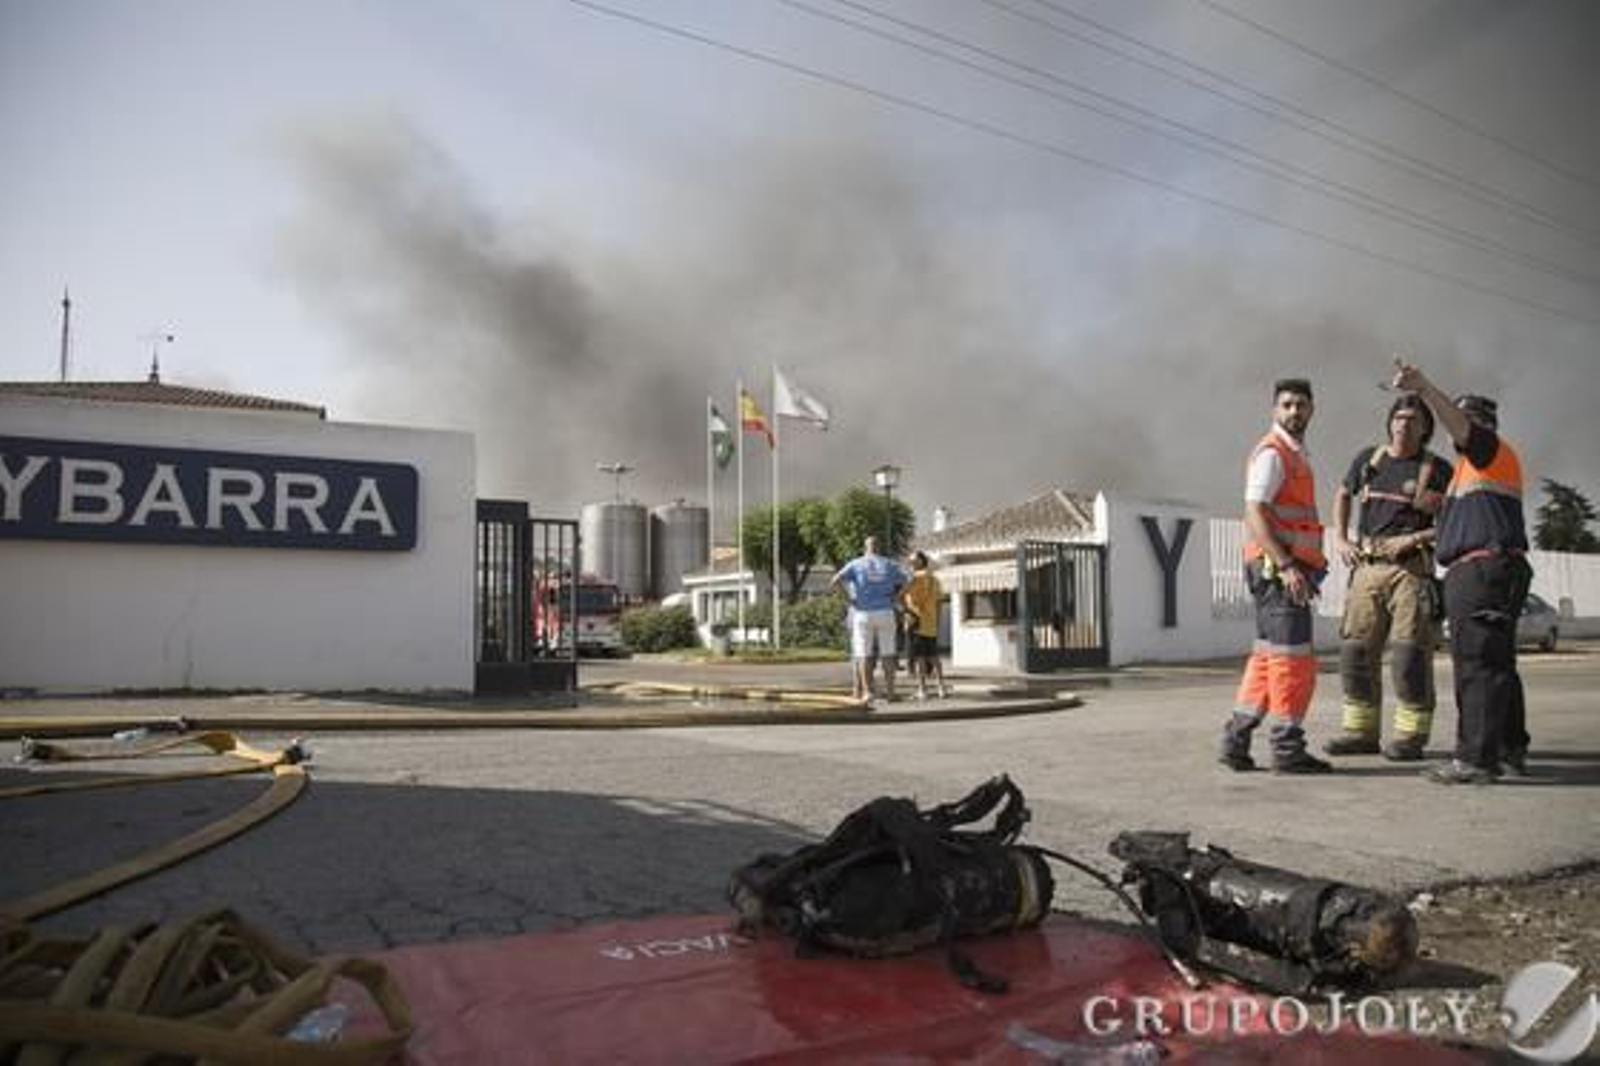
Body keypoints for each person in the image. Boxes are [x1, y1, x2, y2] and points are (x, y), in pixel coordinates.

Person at [1391, 360, 1531, 785]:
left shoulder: (1490, 450)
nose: (1457, 428)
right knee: (1496, 664)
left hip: (1483, 569)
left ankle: (1475, 759)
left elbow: (1463, 429)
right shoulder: (1469, 472)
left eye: (1466, 420)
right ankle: (1508, 750)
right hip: (1487, 569)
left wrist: (1424, 388)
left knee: (1476, 665)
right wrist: (1436, 507)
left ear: (1483, 425)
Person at [1324, 394, 1450, 762]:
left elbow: (1450, 522)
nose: (1403, 424)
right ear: (1389, 422)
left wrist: (1413, 538)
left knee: (1409, 657)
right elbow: (1343, 494)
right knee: (1356, 653)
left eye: (1412, 419)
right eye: (1398, 417)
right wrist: (1341, 538)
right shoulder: (1370, 460)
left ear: (1425, 428)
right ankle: (1360, 733)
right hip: (1367, 568)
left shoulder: (1436, 469)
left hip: (1411, 571)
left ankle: (1411, 737)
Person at [1219, 378, 1334, 774]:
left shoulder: (1294, 454)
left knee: (1268, 660)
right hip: (1279, 573)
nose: (1294, 411)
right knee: (1291, 661)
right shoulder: (1274, 453)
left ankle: (1236, 740)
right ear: (1274, 410)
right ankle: (1287, 747)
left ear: (1312, 409)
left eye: (1301, 404)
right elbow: (1254, 512)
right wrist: (1286, 566)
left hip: (1276, 572)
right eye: (1286, 405)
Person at [829, 535, 908, 705]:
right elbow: (908, 580)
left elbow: (834, 581)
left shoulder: (856, 563)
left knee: (863, 654)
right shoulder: (889, 564)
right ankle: (891, 693)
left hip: (862, 612)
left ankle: (867, 692)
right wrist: (897, 597)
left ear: (865, 548)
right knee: (888, 653)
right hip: (886, 611)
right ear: (879, 547)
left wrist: (850, 600)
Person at [900, 551, 949, 700]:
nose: (910, 562)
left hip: (915, 620)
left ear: (920, 561)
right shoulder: (934, 579)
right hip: (930, 622)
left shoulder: (912, 578)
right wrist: (937, 622)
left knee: (920, 657)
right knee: (934, 656)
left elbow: (899, 595)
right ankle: (941, 687)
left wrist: (905, 612)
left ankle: (923, 689)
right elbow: (939, 603)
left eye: (913, 560)